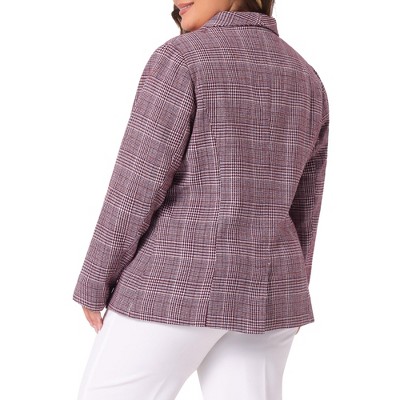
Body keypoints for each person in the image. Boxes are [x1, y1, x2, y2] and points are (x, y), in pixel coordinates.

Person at [72, 0, 329, 399]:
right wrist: (292, 289)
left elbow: (136, 183)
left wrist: (95, 280)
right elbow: (304, 207)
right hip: (268, 295)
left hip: (176, 286)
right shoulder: (306, 76)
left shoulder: (182, 59)